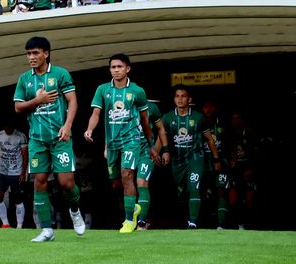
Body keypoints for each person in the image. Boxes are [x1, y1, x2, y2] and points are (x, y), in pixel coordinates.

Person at [13, 36, 85, 242]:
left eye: (35, 53)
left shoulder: (60, 74)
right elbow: (18, 107)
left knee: (66, 183)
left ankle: (74, 210)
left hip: (59, 138)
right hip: (37, 139)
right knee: (39, 182)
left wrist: (68, 126)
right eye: (28, 54)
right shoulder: (24, 79)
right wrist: (38, 100)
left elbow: (73, 102)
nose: (31, 57)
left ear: (46, 53)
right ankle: (47, 229)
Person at [84, 53, 158, 233]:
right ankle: (133, 208)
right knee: (117, 183)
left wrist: (151, 144)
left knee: (127, 175)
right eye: (113, 67)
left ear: (127, 69)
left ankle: (129, 221)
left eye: (119, 67)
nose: (116, 70)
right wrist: (90, 130)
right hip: (112, 144)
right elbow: (96, 114)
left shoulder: (137, 91)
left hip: (131, 140)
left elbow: (145, 120)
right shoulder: (103, 90)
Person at [161, 85, 220, 229]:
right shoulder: (167, 117)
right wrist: (161, 152)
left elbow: (209, 139)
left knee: (194, 187)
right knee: (182, 191)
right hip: (177, 161)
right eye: (177, 96)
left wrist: (216, 158)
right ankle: (189, 207)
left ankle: (193, 222)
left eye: (183, 96)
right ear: (174, 99)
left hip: (195, 158)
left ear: (189, 99)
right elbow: (161, 137)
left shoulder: (198, 117)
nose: (180, 99)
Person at [136, 101, 170, 230]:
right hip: (129, 151)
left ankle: (142, 222)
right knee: (127, 185)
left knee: (142, 182)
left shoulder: (152, 108)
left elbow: (161, 130)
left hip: (147, 153)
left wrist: (157, 150)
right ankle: (130, 218)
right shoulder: (122, 105)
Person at [201, 100, 230, 230]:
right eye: (206, 106)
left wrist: (231, 159)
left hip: (221, 163)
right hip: (202, 163)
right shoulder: (198, 122)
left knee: (221, 190)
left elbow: (231, 143)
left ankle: (221, 224)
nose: (208, 109)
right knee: (203, 192)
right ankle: (202, 222)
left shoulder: (223, 124)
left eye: (211, 106)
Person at [0, 122, 28, 229]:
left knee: (17, 199)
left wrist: (23, 172)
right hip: (2, 172)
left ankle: (19, 226)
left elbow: (25, 155)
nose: (7, 127)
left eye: (9, 125)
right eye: (5, 125)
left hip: (16, 172)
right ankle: (5, 223)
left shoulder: (20, 136)